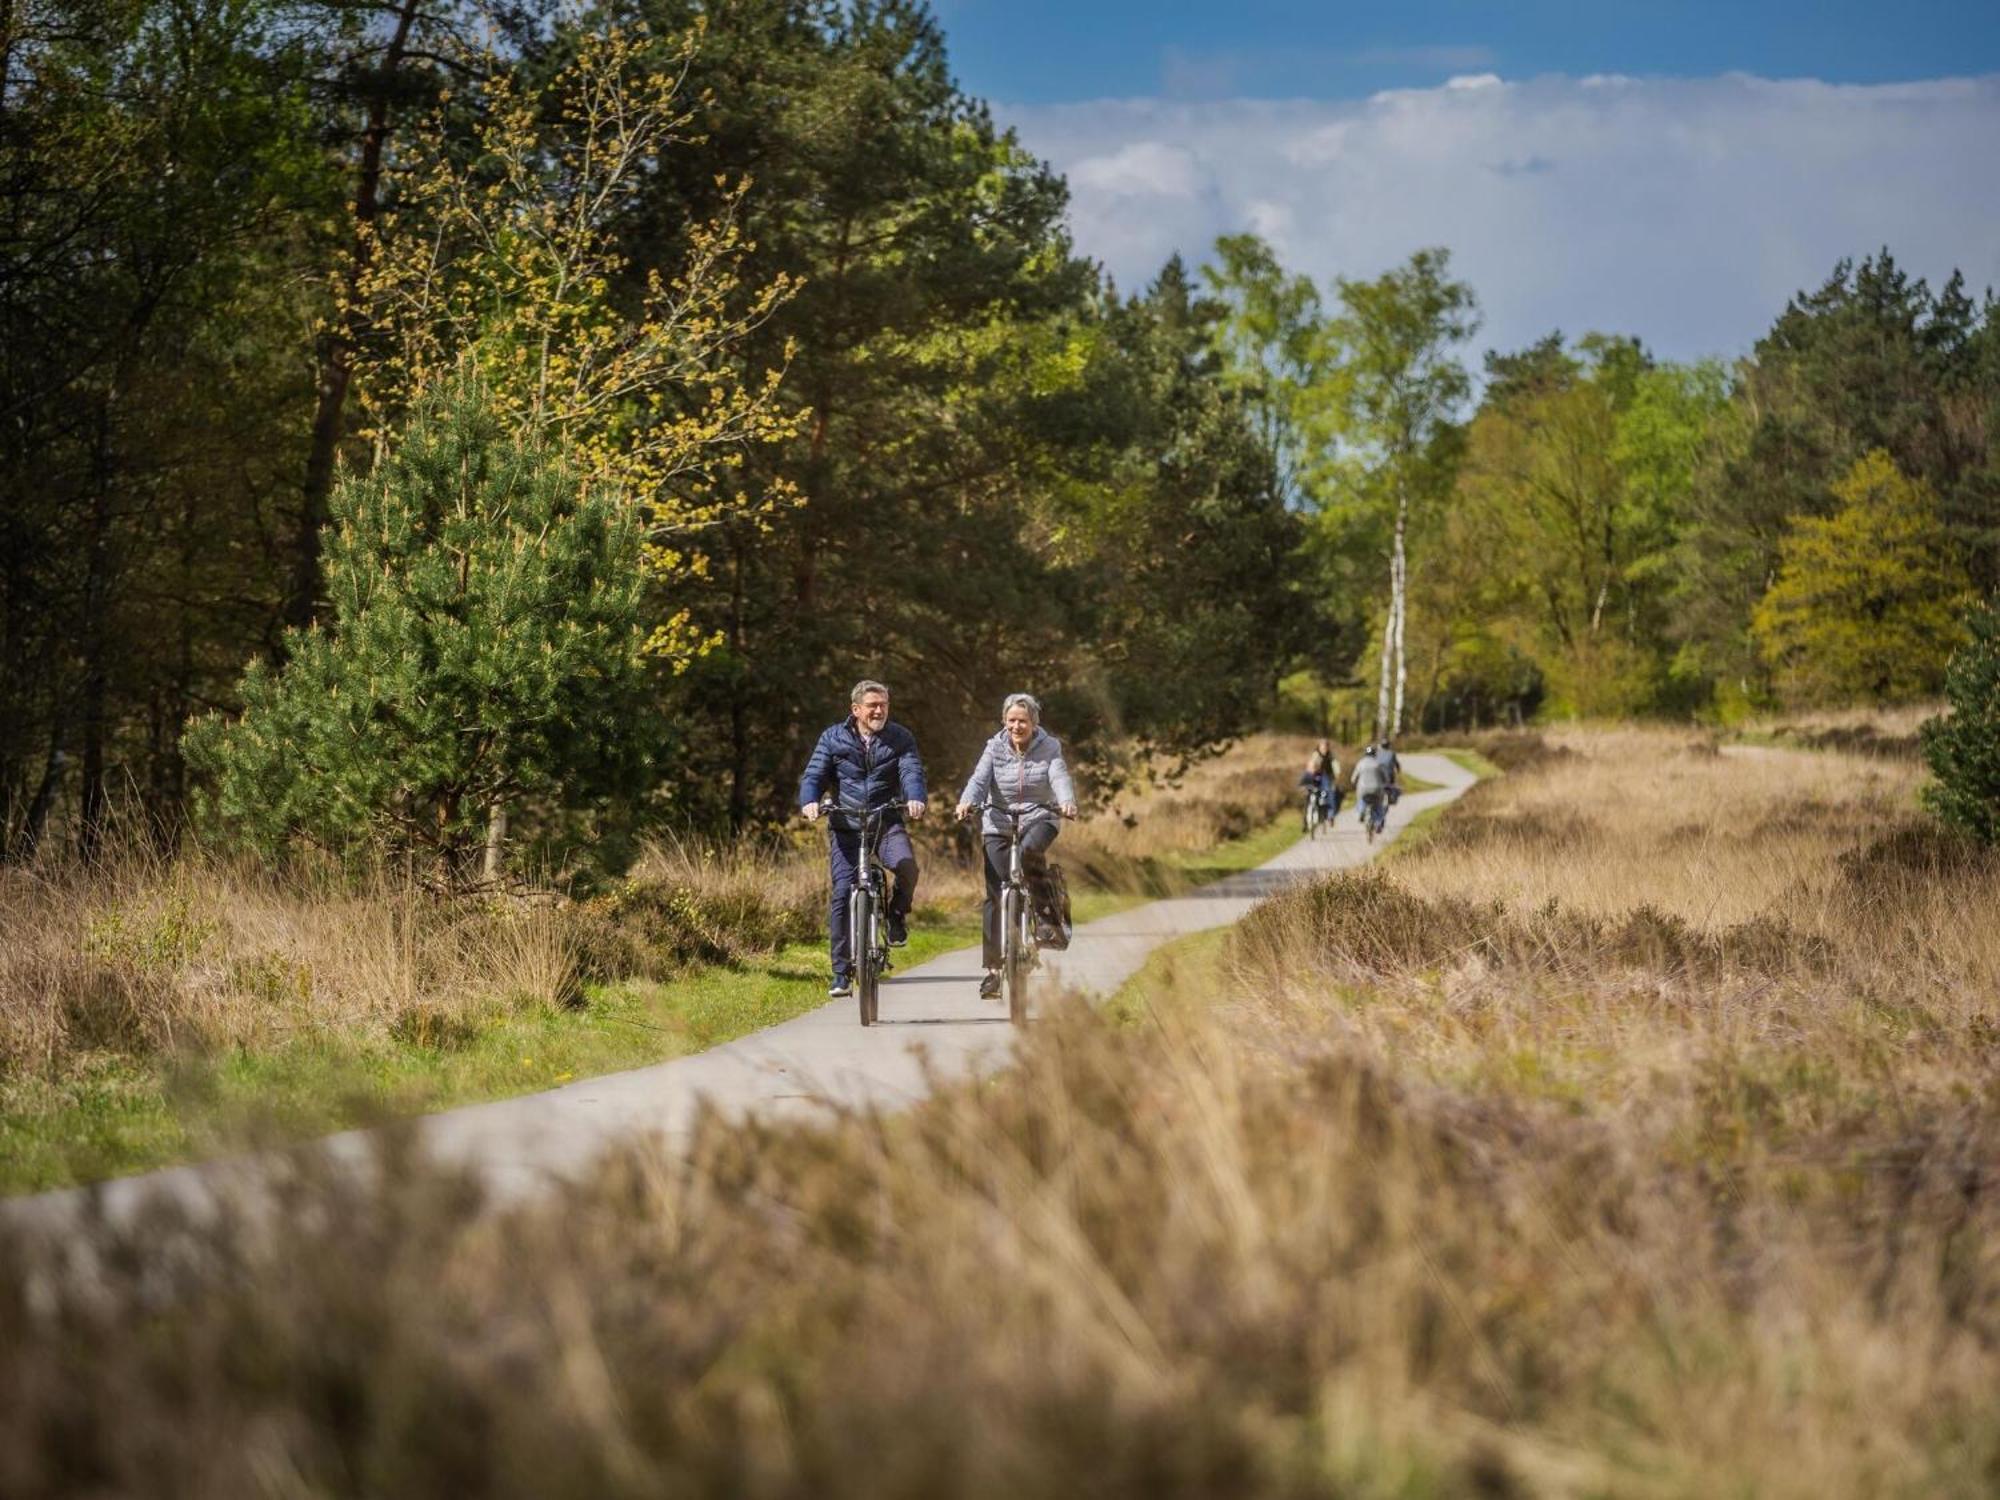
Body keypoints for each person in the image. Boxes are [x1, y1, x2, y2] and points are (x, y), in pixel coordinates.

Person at [798, 679, 928, 997]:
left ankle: (896, 914)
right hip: (847, 827)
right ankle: (841, 974)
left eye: (883, 704)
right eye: (872, 705)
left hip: (886, 822)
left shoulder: (900, 738)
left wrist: (915, 796)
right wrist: (810, 800)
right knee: (842, 894)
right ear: (856, 709)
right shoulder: (833, 737)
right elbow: (814, 773)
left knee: (907, 867)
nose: (879, 710)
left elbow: (912, 771)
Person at [956, 693, 1077, 1000]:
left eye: (1022, 720)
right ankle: (994, 972)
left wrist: (1066, 801)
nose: (1016, 726)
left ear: (1034, 723)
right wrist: (967, 801)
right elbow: (979, 779)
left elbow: (1059, 775)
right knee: (995, 894)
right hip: (998, 821)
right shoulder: (994, 747)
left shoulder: (1049, 746)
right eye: (1011, 720)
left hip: (1040, 816)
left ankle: (1048, 917)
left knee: (1028, 855)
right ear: (1003, 722)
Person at [1353, 742, 1388, 836]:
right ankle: (1379, 822)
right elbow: (1385, 778)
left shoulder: (1360, 764)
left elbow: (1353, 779)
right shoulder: (1378, 764)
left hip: (1363, 790)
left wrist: (1355, 784)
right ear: (1374, 754)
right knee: (1378, 805)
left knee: (1361, 800)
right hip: (1377, 790)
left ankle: (1361, 812)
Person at [1304, 738, 1342, 821]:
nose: (1324, 749)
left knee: (1332, 793)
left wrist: (1337, 774)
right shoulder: (1316, 755)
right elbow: (1312, 765)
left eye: (1326, 747)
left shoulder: (1331, 756)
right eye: (1323, 747)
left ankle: (1330, 815)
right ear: (1319, 747)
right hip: (1317, 777)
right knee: (1309, 795)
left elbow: (1336, 765)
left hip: (1328, 777)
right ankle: (1306, 822)